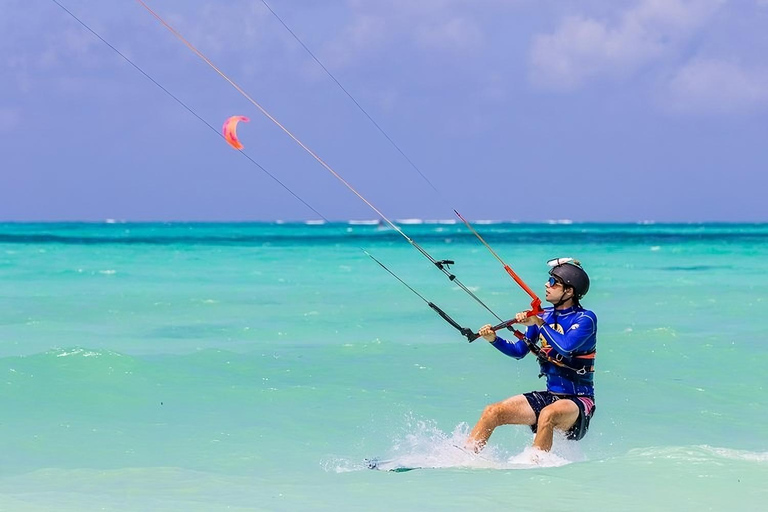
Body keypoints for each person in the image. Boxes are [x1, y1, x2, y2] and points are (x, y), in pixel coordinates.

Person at [466, 258, 597, 453]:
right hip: (551, 396)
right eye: (548, 280)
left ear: (569, 291)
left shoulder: (585, 318)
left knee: (547, 414)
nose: (547, 285)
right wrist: (494, 339)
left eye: (554, 282)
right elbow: (519, 351)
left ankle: (535, 465)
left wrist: (538, 323)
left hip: (578, 402)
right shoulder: (544, 317)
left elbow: (566, 347)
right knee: (492, 412)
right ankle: (466, 458)